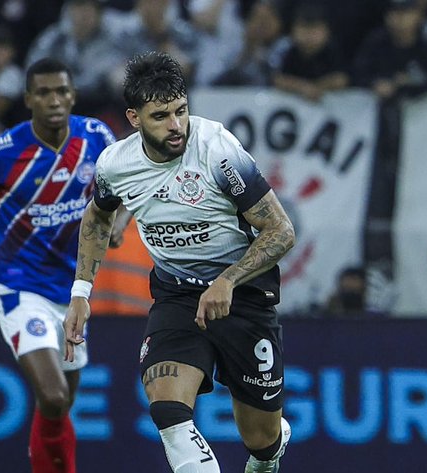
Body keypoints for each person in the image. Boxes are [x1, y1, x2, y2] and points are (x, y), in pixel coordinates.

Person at [63, 52, 295, 473]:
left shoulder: (218, 151)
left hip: (243, 297)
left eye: (181, 111)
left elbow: (281, 231)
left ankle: (270, 452)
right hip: (176, 297)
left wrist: (227, 280)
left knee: (259, 439)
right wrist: (81, 291)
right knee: (168, 410)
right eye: (161, 116)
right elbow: (98, 214)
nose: (176, 126)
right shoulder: (115, 164)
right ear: (134, 118)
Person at [0, 58, 118, 473]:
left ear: (73, 96)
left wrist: (117, 223)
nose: (54, 100)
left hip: (73, 294)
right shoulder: (0, 152)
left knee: (60, 404)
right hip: (19, 288)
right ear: (29, 98)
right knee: (52, 396)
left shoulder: (96, 137)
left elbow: (126, 187)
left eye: (62, 92)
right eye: (44, 92)